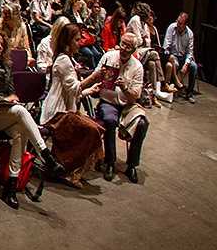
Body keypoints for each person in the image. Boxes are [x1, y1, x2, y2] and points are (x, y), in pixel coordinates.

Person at [0, 29, 61, 208]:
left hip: (6, 112)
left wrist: (11, 98)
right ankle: (45, 153)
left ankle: (11, 184)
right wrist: (2, 100)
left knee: (19, 132)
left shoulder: (6, 65)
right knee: (20, 112)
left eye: (2, 44)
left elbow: (11, 91)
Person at [38, 22, 105, 184]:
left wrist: (90, 89)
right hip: (57, 113)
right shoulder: (64, 61)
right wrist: (94, 76)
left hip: (67, 109)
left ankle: (70, 167)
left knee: (97, 129)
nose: (80, 42)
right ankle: (69, 169)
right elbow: (74, 89)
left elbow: (73, 91)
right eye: (76, 40)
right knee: (92, 130)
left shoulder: (68, 59)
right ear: (67, 42)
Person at [80, 32, 149, 183]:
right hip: (108, 101)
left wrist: (125, 87)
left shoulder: (137, 67)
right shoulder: (108, 56)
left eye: (128, 46)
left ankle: (131, 165)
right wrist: (100, 77)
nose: (124, 48)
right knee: (110, 120)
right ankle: (110, 162)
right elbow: (96, 76)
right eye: (123, 44)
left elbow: (134, 96)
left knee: (142, 123)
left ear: (134, 50)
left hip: (128, 105)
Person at [164, 12, 197, 102]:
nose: (177, 24)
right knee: (175, 62)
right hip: (172, 55)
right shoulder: (172, 27)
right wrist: (168, 54)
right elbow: (166, 45)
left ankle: (189, 93)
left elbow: (190, 52)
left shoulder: (190, 33)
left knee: (194, 67)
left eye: (180, 23)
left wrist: (186, 64)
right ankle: (175, 85)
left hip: (183, 56)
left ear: (185, 25)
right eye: (177, 22)